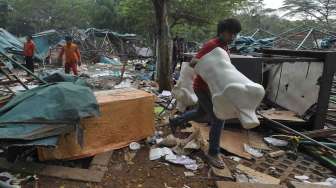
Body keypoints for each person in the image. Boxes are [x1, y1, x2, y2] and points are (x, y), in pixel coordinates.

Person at [169, 18, 242, 169]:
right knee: (219, 117)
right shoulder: (212, 45)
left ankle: (175, 121)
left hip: (213, 88)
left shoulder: (225, 46)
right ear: (221, 32)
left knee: (201, 113)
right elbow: (193, 62)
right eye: (230, 33)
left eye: (235, 34)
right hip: (202, 87)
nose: (233, 37)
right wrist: (210, 62)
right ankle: (213, 153)